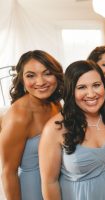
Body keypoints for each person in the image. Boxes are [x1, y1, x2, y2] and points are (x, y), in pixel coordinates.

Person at [39, 60, 105, 200]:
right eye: (82, 87)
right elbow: (49, 183)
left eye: (96, 85)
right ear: (71, 91)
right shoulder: (55, 128)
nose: (91, 94)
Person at [0, 50, 63, 200]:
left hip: (57, 185)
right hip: (33, 191)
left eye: (47, 73)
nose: (40, 82)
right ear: (22, 79)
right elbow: (8, 172)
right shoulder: (19, 117)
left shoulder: (55, 103)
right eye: (31, 75)